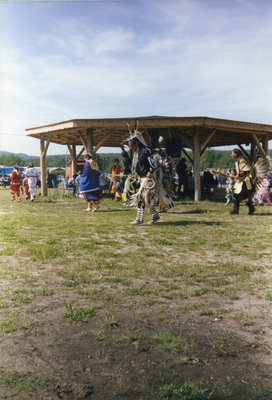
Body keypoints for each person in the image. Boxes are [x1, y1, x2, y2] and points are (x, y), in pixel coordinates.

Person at [230, 149, 255, 215]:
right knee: (236, 195)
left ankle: (251, 208)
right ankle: (236, 210)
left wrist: (238, 175)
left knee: (245, 196)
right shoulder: (237, 161)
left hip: (245, 181)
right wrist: (234, 175)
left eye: (232, 153)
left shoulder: (242, 160)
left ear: (235, 154)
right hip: (239, 181)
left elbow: (243, 170)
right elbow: (237, 171)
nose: (231, 155)